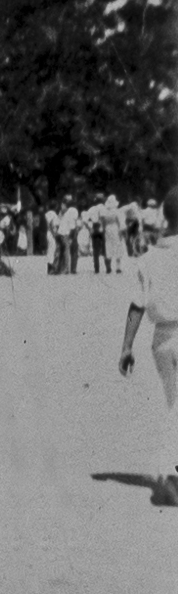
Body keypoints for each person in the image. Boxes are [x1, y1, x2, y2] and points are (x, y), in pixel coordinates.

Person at [119, 185, 178, 503]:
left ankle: (172, 471)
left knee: (174, 402)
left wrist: (126, 347)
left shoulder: (148, 258)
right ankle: (170, 473)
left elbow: (137, 304)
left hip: (160, 340)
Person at [102, 194, 124, 274]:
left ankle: (109, 266)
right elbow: (120, 222)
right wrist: (121, 232)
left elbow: (103, 223)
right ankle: (118, 266)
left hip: (107, 229)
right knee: (118, 246)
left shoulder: (105, 212)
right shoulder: (116, 211)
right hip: (115, 228)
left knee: (108, 246)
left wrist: (104, 231)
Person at [87, 193, 108, 273]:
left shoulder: (92, 209)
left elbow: (85, 220)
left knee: (96, 250)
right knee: (105, 249)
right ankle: (107, 267)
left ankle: (96, 268)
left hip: (94, 228)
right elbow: (104, 219)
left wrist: (90, 229)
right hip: (103, 229)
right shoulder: (105, 208)